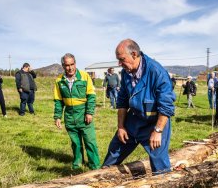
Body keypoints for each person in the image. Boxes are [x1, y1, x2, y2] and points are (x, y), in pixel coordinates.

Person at [102, 39, 176, 178]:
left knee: (159, 162)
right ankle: (100, 182)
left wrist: (158, 131)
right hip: (134, 120)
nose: (119, 64)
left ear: (134, 54)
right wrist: (121, 127)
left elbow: (166, 106)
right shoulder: (125, 73)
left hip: (154, 123)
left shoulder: (156, 72)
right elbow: (122, 101)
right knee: (115, 150)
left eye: (122, 59)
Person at [53, 53, 100, 170]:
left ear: (75, 63)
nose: (70, 68)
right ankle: (77, 163)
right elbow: (58, 100)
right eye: (67, 65)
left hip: (83, 114)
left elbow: (91, 96)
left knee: (90, 142)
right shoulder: (59, 80)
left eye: (72, 64)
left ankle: (95, 166)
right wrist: (57, 116)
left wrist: (89, 112)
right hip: (69, 116)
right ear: (63, 66)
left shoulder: (85, 76)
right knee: (75, 143)